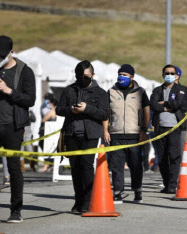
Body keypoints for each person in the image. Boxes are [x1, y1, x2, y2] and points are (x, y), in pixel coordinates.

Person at [0, 35, 36, 223]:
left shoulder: (25, 71)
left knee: (14, 168)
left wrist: (9, 91)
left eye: (1, 55)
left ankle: (16, 210)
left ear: (11, 53)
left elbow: (30, 100)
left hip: (13, 127)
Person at [56, 60, 109, 213]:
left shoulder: (100, 93)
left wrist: (87, 109)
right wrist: (71, 110)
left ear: (93, 75)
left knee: (86, 166)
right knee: (75, 168)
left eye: (86, 76)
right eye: (80, 76)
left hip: (90, 134)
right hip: (71, 133)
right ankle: (78, 200)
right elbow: (59, 109)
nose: (83, 79)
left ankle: (87, 201)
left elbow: (104, 114)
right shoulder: (69, 90)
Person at [103, 64, 150, 204]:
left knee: (135, 165)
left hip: (134, 134)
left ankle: (137, 190)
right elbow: (106, 113)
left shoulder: (140, 92)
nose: (121, 76)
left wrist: (143, 129)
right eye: (120, 73)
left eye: (125, 74)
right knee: (116, 166)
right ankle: (118, 192)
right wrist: (105, 130)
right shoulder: (111, 92)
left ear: (132, 77)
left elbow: (146, 111)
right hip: (116, 134)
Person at [150, 64, 187, 194]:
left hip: (175, 128)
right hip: (160, 128)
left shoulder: (182, 90)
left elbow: (179, 104)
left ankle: (173, 184)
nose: (170, 75)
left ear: (176, 75)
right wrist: (167, 108)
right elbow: (153, 105)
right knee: (162, 158)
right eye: (167, 73)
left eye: (172, 73)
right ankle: (166, 183)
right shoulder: (157, 90)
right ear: (163, 75)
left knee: (174, 156)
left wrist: (164, 103)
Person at [38, 97, 58, 173]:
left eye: (49, 103)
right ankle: (52, 165)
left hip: (47, 133)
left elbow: (43, 120)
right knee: (52, 149)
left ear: (52, 104)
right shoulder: (58, 111)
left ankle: (46, 166)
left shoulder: (51, 111)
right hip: (53, 133)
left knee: (45, 148)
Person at [174, 66, 187, 153]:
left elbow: (183, 106)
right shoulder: (161, 89)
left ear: (177, 76)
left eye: (172, 73)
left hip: (180, 124)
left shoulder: (184, 90)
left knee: (180, 151)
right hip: (165, 126)